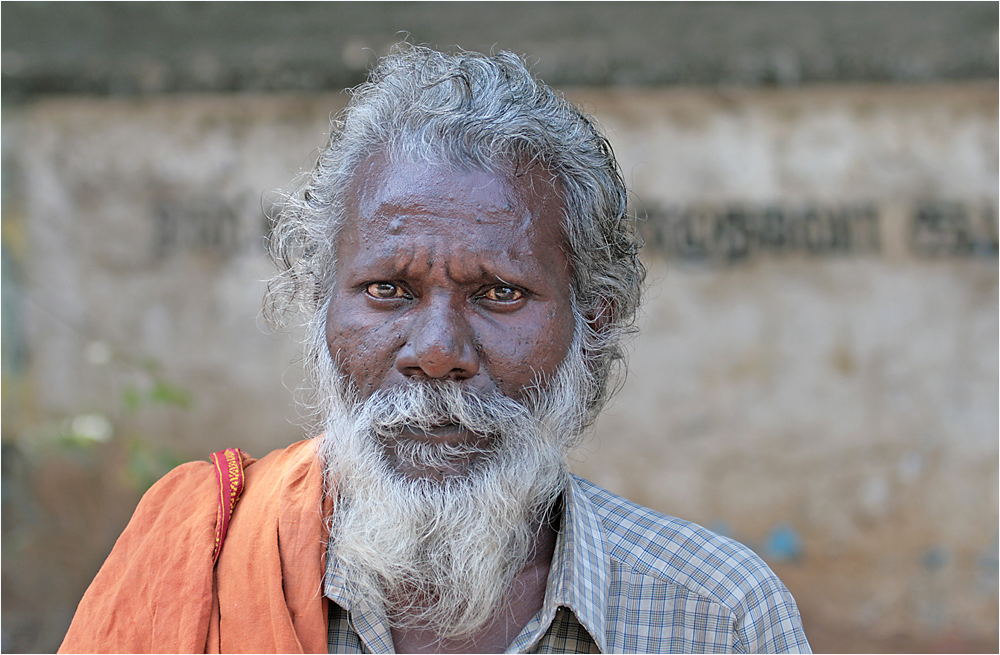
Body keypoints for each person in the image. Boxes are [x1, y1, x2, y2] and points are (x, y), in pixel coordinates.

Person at [60, 45, 811, 654]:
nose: (437, 351)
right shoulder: (204, 567)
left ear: (595, 322)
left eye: (499, 293)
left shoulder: (715, 617)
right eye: (388, 289)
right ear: (321, 305)